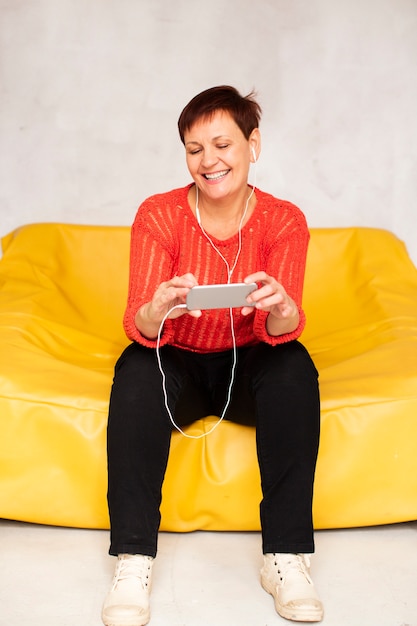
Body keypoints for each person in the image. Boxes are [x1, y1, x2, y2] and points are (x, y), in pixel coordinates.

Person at [102, 85, 323, 625]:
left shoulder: (284, 219)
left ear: (254, 145)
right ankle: (133, 559)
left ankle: (285, 556)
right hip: (176, 357)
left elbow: (286, 329)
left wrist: (281, 306)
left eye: (222, 145)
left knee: (295, 369)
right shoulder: (158, 214)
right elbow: (139, 325)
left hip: (251, 361)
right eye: (194, 149)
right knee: (134, 373)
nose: (209, 161)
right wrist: (158, 308)